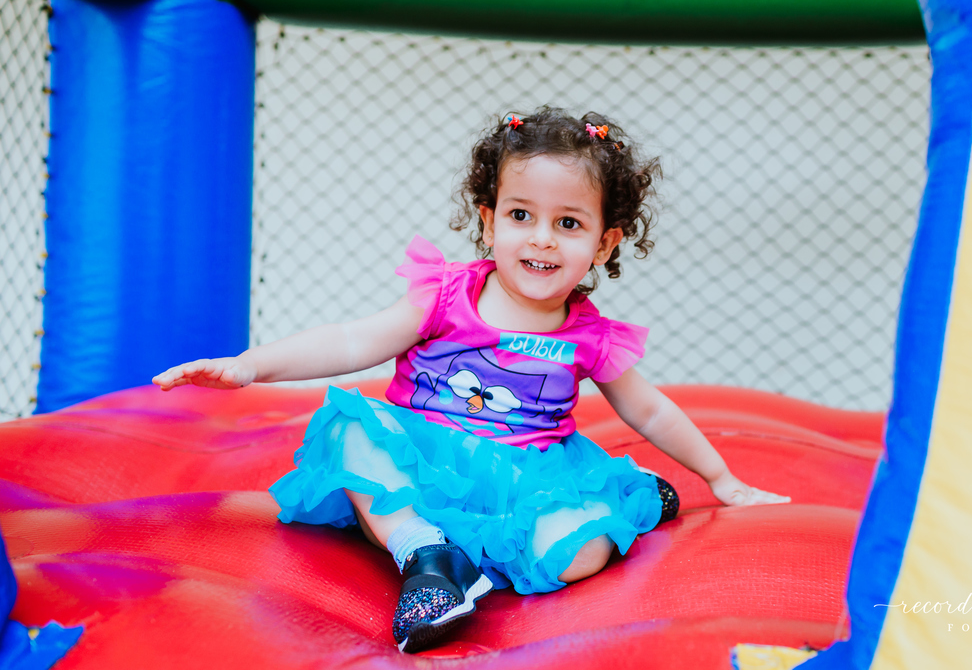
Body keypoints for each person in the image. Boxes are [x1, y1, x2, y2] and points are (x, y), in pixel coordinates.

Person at [152, 107, 789, 652]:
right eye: (520, 215)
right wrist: (249, 366)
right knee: (351, 433)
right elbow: (354, 341)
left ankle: (624, 494)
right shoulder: (446, 296)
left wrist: (722, 479)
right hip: (423, 457)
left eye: (568, 223)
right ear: (489, 220)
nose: (541, 239)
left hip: (523, 476)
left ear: (603, 242)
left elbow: (649, 413)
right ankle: (427, 556)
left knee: (581, 556)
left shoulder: (590, 337)